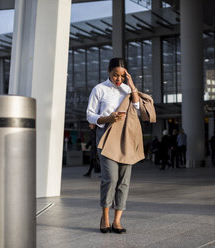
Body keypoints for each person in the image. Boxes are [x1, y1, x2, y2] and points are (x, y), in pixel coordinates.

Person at [87, 58, 156, 234]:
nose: (118, 79)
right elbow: (90, 115)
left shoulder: (127, 89)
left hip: (126, 136)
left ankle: (117, 221)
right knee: (110, 178)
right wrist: (107, 118)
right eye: (115, 75)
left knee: (124, 180)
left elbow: (138, 110)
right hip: (106, 134)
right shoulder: (99, 89)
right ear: (108, 73)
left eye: (122, 76)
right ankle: (105, 217)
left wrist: (132, 85)